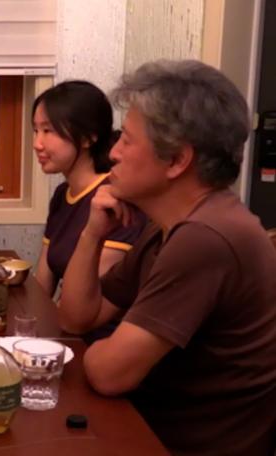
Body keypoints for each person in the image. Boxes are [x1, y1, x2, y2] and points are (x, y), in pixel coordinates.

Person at [59, 60, 276, 455]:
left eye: (126, 140)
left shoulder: (205, 237)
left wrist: (100, 349)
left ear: (176, 160)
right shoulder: (165, 225)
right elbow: (76, 318)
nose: (114, 153)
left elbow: (109, 375)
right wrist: (92, 233)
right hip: (143, 424)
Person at [32, 80, 145, 297]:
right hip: (61, 315)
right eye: (36, 130)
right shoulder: (62, 194)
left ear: (87, 137)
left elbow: (95, 299)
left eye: (48, 130)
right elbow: (42, 287)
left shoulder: (112, 198)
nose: (37, 143)